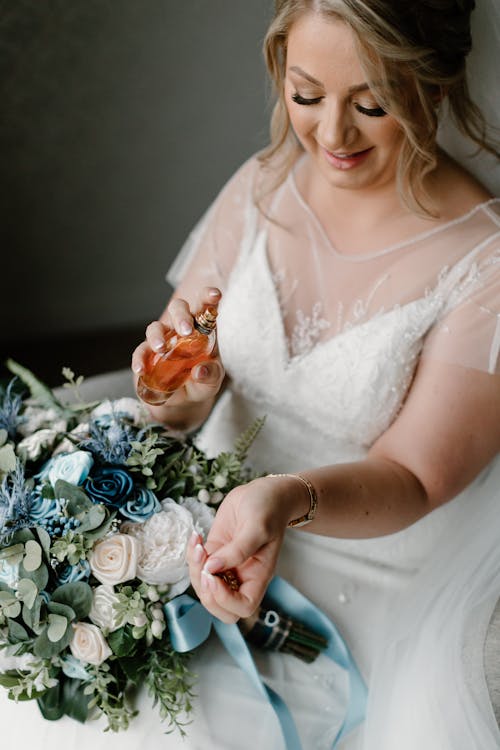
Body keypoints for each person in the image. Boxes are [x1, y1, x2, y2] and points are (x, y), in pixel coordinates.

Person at [131, 0, 500, 747]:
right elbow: (175, 388)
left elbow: (417, 478)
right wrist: (178, 397)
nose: (332, 135)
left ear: (435, 85)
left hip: (364, 567)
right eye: (307, 96)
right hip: (201, 524)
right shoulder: (262, 185)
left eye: (373, 103)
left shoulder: (484, 260)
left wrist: (282, 498)